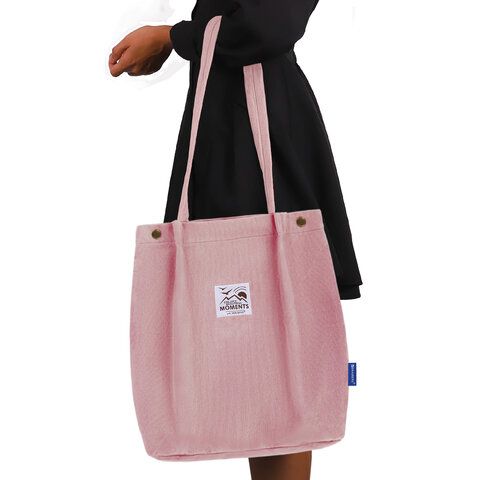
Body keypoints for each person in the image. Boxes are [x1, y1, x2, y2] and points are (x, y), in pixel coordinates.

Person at [110, 1, 362, 478]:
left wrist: (171, 37)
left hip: (259, 139)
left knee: (279, 348)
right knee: (260, 350)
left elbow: (266, 26)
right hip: (228, 133)